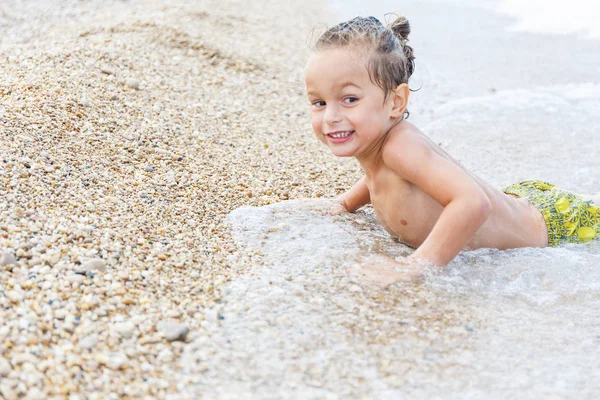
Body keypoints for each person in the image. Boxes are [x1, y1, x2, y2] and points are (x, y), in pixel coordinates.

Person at [304, 15, 600, 285]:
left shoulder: (400, 147)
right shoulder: (381, 150)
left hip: (556, 225)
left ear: (396, 102)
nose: (330, 116)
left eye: (350, 99)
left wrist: (416, 265)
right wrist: (345, 203)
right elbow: (377, 175)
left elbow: (473, 202)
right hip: (524, 204)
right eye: (319, 103)